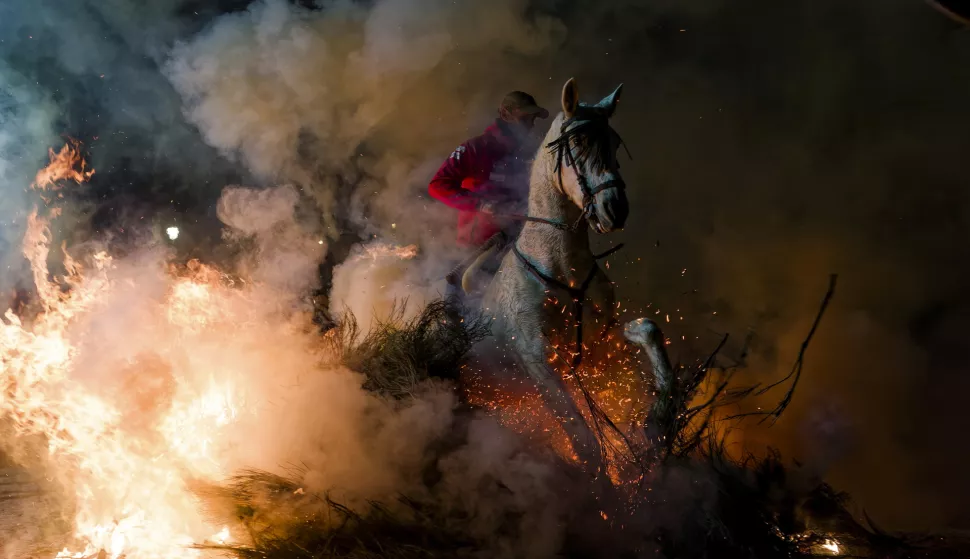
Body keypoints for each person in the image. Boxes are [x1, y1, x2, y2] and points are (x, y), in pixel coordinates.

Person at [428, 91, 549, 298]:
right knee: (461, 308)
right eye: (525, 118)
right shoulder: (475, 148)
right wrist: (480, 204)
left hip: (521, 245)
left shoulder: (531, 154)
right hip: (477, 247)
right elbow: (437, 185)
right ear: (506, 114)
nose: (530, 125)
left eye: (533, 119)